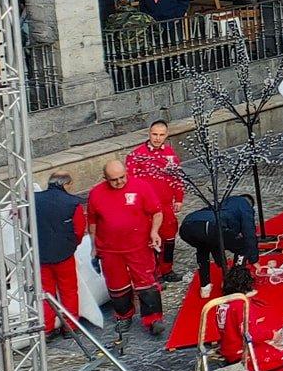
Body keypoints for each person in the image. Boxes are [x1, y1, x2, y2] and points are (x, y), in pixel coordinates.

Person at [84, 157, 165, 337]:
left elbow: (157, 212)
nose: (119, 182)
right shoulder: (96, 194)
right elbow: (93, 223)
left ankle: (154, 319)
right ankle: (124, 316)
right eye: (114, 179)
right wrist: (93, 245)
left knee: (146, 283)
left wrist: (154, 232)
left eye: (122, 177)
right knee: (116, 286)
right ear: (105, 178)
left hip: (139, 246)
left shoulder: (141, 187)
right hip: (110, 250)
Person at [124, 119, 185, 279]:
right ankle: (153, 272)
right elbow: (130, 183)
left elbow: (177, 178)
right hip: (146, 208)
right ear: (149, 133)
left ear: (166, 135)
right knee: (150, 238)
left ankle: (167, 269)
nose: (157, 138)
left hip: (166, 205)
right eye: (154, 134)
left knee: (169, 237)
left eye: (161, 135)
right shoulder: (136, 156)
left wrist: (178, 198)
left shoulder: (170, 155)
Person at [178, 192, 259, 300]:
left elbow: (215, 242)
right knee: (243, 246)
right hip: (210, 225)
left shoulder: (223, 204)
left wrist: (222, 263)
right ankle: (236, 286)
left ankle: (205, 286)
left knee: (204, 246)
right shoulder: (244, 205)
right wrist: (253, 258)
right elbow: (249, 233)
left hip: (186, 227)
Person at [33, 173, 85, 335]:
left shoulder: (33, 200)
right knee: (68, 290)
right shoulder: (72, 203)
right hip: (64, 254)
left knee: (44, 293)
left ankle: (46, 328)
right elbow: (79, 230)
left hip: (40, 255)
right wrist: (72, 245)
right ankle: (70, 325)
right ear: (66, 184)